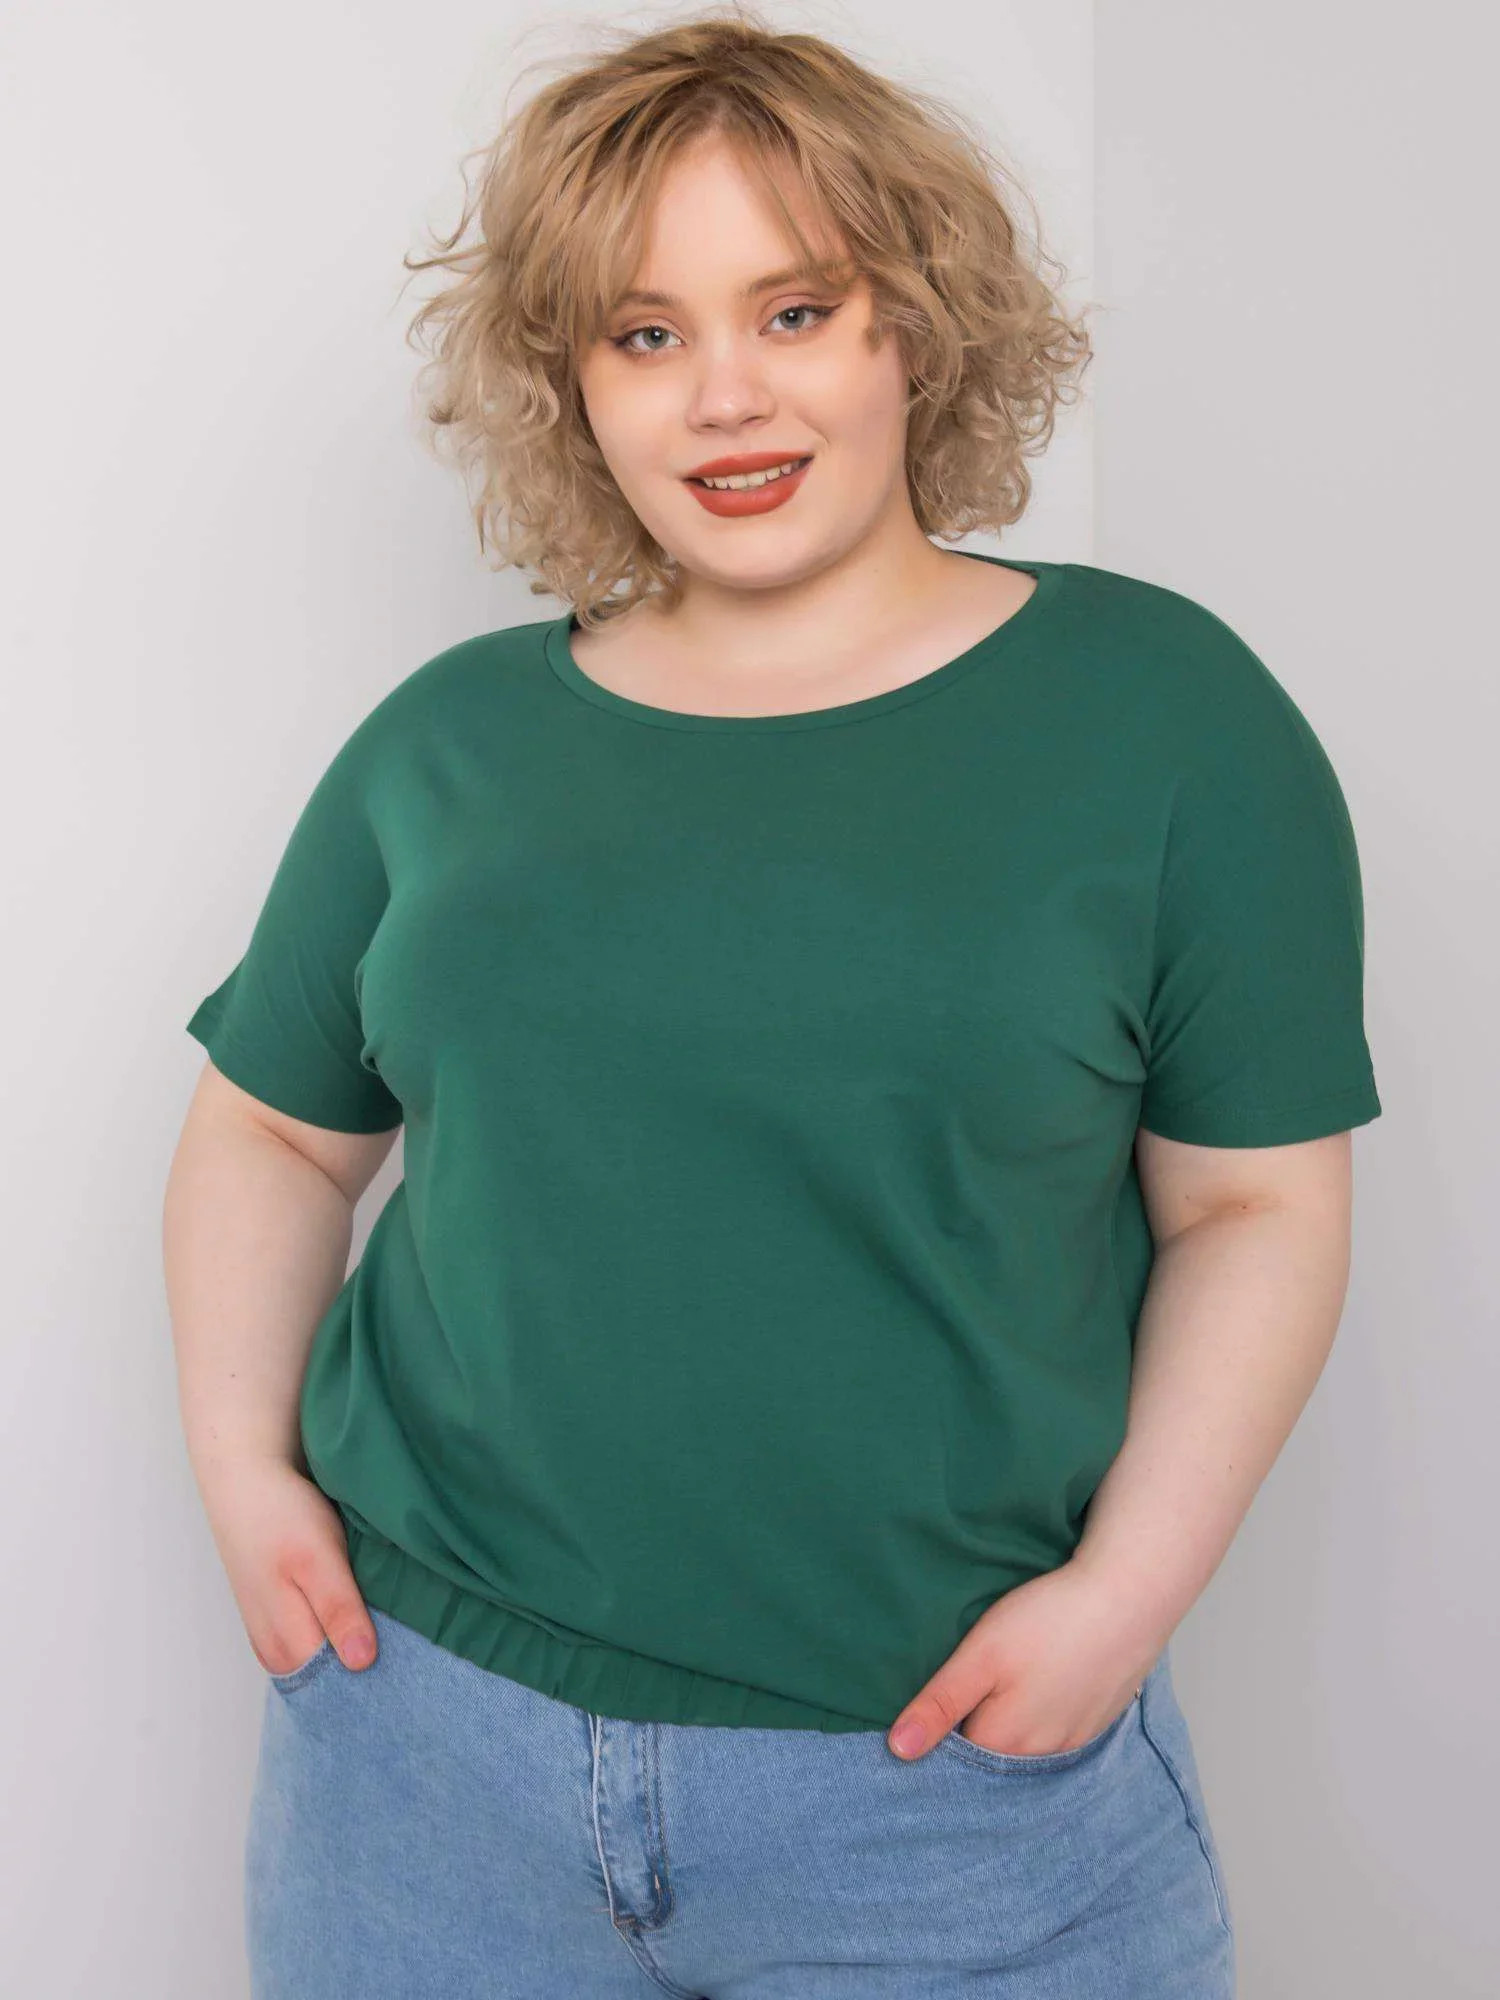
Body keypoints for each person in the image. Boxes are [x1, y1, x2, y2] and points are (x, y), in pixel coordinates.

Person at [162, 11, 1381, 1996]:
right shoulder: (448, 745)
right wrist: (241, 1468)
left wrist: (1123, 1599)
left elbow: (1254, 1206)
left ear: (916, 322)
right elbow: (274, 1133)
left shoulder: (1168, 722)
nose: (724, 395)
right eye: (643, 334)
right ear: (571, 383)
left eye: (794, 310)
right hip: (421, 1758)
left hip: (945, 1793)